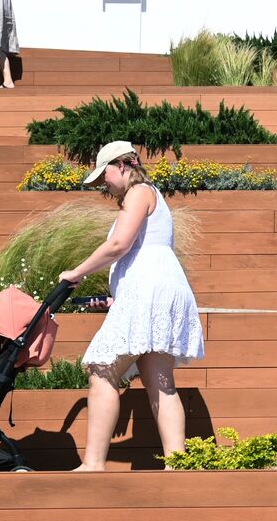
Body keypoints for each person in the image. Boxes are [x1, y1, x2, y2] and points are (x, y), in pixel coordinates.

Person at [59, 141, 205, 471]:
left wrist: (76, 272)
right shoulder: (149, 196)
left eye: (105, 175)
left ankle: (93, 464)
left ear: (124, 165)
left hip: (148, 289)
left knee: (102, 369)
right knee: (159, 379)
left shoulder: (138, 192)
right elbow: (142, 250)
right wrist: (117, 297)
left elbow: (118, 245)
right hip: (157, 288)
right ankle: (177, 464)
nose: (104, 185)